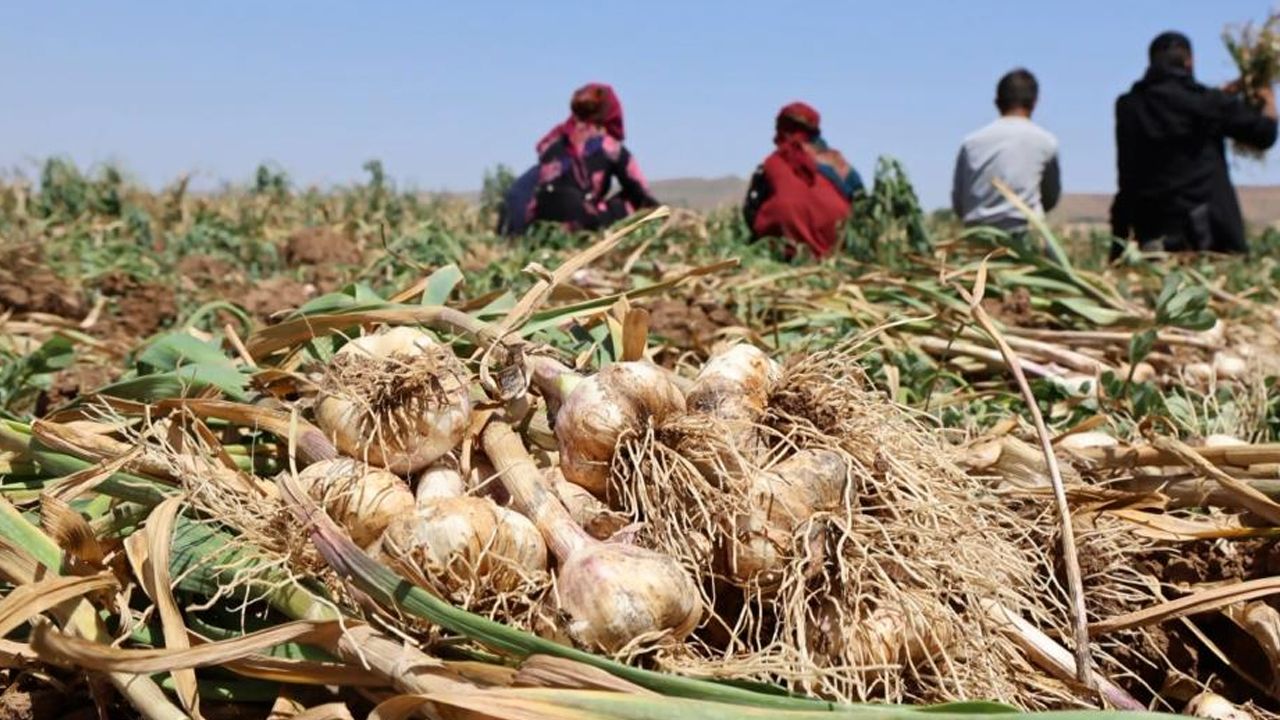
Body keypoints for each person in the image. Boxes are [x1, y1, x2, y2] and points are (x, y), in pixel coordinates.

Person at [1110, 31, 1278, 256]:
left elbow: (1173, 109)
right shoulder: (1207, 104)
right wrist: (1268, 101)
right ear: (1189, 61)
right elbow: (1263, 134)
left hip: (1148, 233)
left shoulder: (1128, 106)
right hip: (1207, 236)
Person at [499, 83, 657, 235]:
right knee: (628, 201)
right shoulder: (609, 145)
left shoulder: (554, 142)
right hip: (576, 220)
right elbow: (641, 192)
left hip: (540, 223)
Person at [743, 102, 863, 259]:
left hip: (787, 251)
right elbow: (861, 201)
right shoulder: (838, 163)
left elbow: (751, 210)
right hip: (836, 251)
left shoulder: (772, 163)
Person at [951, 69, 1061, 234]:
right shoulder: (1045, 142)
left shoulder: (971, 143)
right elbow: (1050, 197)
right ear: (1035, 102)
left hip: (976, 239)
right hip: (1023, 237)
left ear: (997, 102)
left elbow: (959, 203)